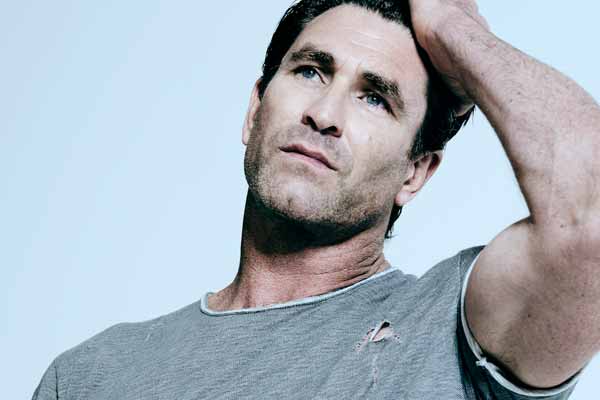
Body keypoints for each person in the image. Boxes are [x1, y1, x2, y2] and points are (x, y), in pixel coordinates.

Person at [32, 1, 600, 399]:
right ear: (255, 111)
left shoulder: (450, 331)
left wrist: (453, 28)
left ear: (415, 172)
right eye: (310, 71)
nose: (325, 114)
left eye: (375, 99)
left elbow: (590, 216)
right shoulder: (90, 377)